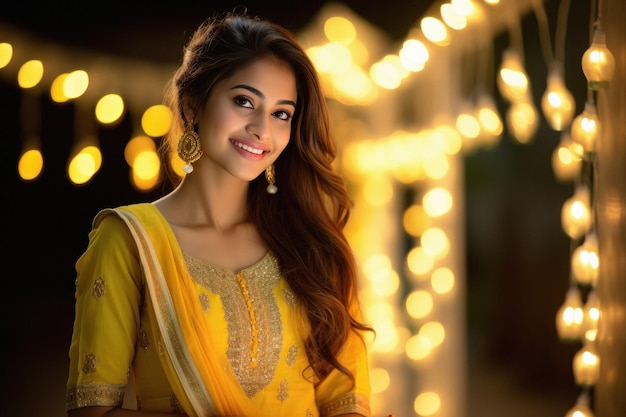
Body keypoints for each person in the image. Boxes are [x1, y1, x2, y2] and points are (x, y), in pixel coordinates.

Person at [65, 10, 378, 417]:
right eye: (244, 101)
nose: (262, 129)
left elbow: (345, 402)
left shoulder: (312, 244)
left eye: (281, 113)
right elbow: (93, 411)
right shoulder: (130, 240)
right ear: (193, 105)